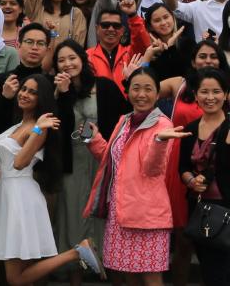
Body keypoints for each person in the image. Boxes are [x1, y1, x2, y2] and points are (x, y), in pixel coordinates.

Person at [0, 74, 105, 284]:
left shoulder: (40, 127)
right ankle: (77, 252)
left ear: (43, 98)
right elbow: (5, 169)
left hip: (21, 200)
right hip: (10, 196)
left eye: (33, 92)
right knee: (23, 273)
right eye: (24, 89)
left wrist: (38, 128)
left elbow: (19, 163)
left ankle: (75, 253)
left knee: (15, 278)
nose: (24, 94)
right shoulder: (21, 124)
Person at [83, 67, 190, 285]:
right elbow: (113, 160)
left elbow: (153, 168)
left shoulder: (162, 125)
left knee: (151, 277)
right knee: (127, 274)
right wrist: (94, 140)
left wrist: (160, 142)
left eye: (148, 89)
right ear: (128, 92)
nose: (141, 94)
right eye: (136, 88)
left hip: (146, 215)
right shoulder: (124, 120)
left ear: (157, 93)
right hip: (120, 210)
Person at [52, 40, 130, 285]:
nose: (67, 64)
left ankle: (107, 271)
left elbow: (125, 117)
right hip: (72, 164)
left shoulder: (104, 86)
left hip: (101, 160)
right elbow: (59, 129)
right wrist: (62, 94)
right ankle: (76, 274)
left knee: (102, 220)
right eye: (61, 60)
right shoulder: (55, 91)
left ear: (82, 59)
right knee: (73, 217)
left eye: (72, 58)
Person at [178, 68, 230, 285]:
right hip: (201, 209)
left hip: (227, 207)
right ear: (196, 95)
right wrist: (191, 181)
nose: (210, 98)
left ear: (226, 95)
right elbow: (182, 167)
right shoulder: (190, 129)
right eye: (204, 92)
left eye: (216, 92)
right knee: (208, 267)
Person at [0, 23, 52, 139]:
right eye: (29, 42)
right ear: (18, 45)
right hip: (4, 149)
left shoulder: (51, 83)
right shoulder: (1, 81)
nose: (34, 47)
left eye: (40, 43)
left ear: (47, 49)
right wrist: (5, 99)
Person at [86, 8, 145, 91]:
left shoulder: (130, 53)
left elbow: (142, 43)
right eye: (105, 25)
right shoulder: (87, 56)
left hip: (126, 103)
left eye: (116, 26)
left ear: (122, 30)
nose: (111, 29)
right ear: (97, 29)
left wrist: (133, 16)